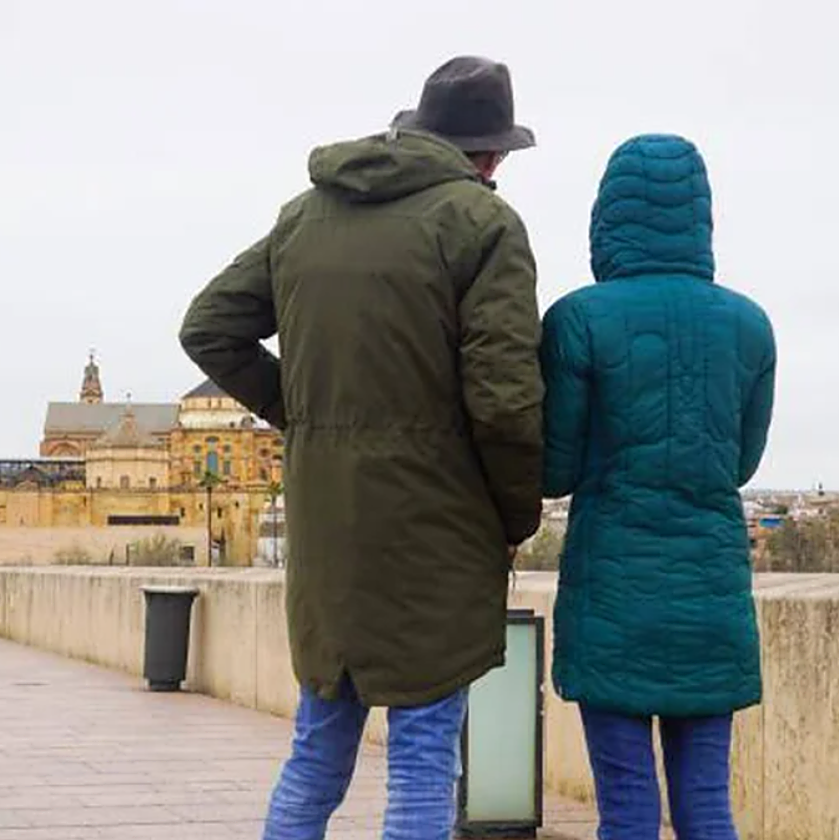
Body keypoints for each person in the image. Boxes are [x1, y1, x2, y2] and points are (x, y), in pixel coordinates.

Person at [180, 55, 543, 839]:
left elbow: (208, 326)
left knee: (315, 756)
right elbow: (506, 400)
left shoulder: (304, 215)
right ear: (490, 156)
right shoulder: (482, 224)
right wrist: (517, 513)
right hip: (436, 536)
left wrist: (305, 415)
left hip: (326, 536)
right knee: (420, 762)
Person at [541, 135, 776, 840]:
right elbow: (741, 465)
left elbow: (556, 470)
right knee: (707, 803)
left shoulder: (579, 317)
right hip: (712, 595)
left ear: (605, 218)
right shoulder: (750, 324)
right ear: (702, 217)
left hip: (613, 595)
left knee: (628, 806)